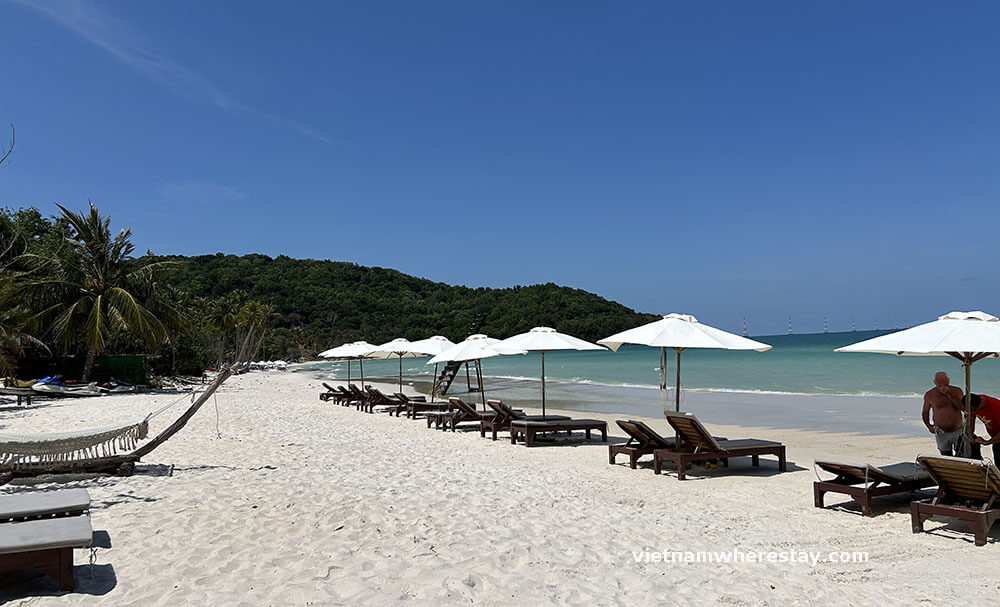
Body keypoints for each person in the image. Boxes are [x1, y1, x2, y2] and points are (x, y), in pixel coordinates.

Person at [922, 371, 965, 456]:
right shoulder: (930, 394)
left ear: (948, 381)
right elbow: (925, 412)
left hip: (958, 430)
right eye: (939, 385)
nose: (942, 387)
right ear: (934, 382)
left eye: (944, 384)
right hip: (941, 431)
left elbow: (963, 408)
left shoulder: (957, 391)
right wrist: (929, 426)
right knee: (946, 456)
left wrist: (950, 394)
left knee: (961, 455)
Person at [970, 394, 1000, 461]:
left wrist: (987, 442)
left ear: (980, 404)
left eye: (973, 410)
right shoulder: (973, 402)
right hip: (996, 438)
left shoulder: (997, 407)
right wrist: (970, 434)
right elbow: (971, 419)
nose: (972, 412)